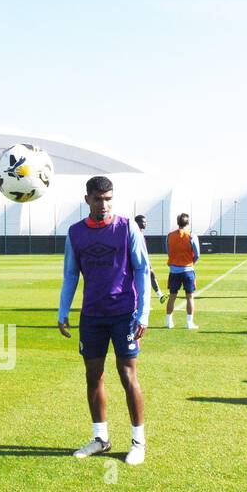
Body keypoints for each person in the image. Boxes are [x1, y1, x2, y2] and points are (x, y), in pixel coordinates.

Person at [58, 176, 150, 465]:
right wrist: (63, 311)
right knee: (93, 376)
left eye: (108, 198)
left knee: (127, 375)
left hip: (124, 313)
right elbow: (71, 274)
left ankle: (138, 442)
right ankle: (101, 438)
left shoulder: (127, 228)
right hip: (92, 316)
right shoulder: (75, 233)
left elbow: (141, 270)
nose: (103, 204)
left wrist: (143, 313)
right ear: (87, 199)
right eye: (98, 199)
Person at [164, 213, 200, 330]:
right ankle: (189, 323)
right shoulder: (191, 235)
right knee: (190, 297)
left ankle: (169, 322)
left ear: (178, 222)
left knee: (172, 296)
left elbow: (168, 251)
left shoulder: (169, 236)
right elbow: (197, 254)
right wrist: (191, 262)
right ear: (188, 223)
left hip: (174, 271)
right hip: (188, 270)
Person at [134, 214, 165, 304]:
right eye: (144, 222)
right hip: (138, 261)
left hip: (144, 259)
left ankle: (160, 295)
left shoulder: (140, 233)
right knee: (140, 280)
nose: (145, 223)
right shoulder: (135, 233)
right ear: (138, 223)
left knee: (151, 274)